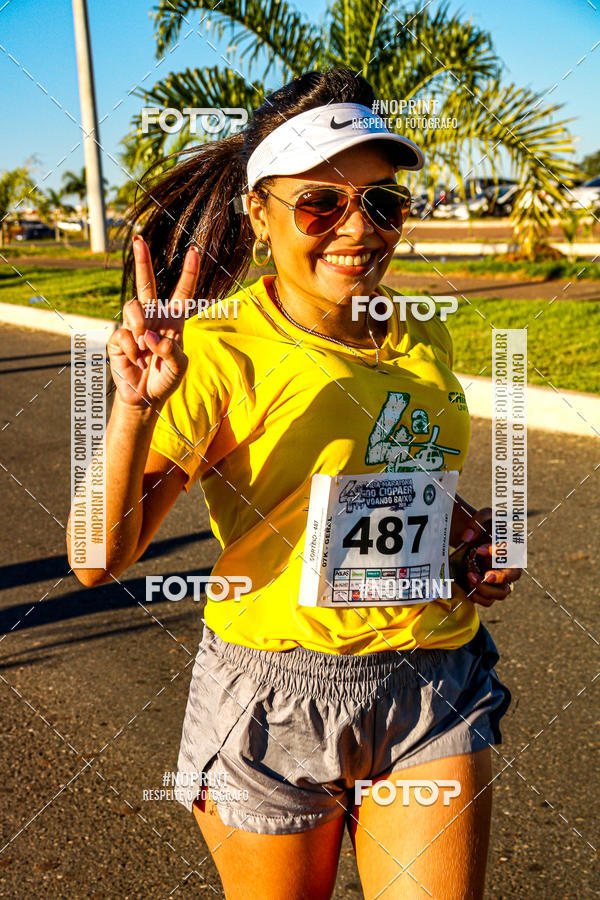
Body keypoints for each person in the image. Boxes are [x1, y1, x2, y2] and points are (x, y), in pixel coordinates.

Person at [68, 68, 521, 900]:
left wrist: (465, 538)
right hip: (275, 700)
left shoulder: (425, 335)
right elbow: (96, 560)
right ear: (259, 214)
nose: (360, 229)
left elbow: (400, 482)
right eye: (322, 203)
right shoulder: (215, 350)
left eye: (382, 203)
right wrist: (131, 411)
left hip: (431, 679)